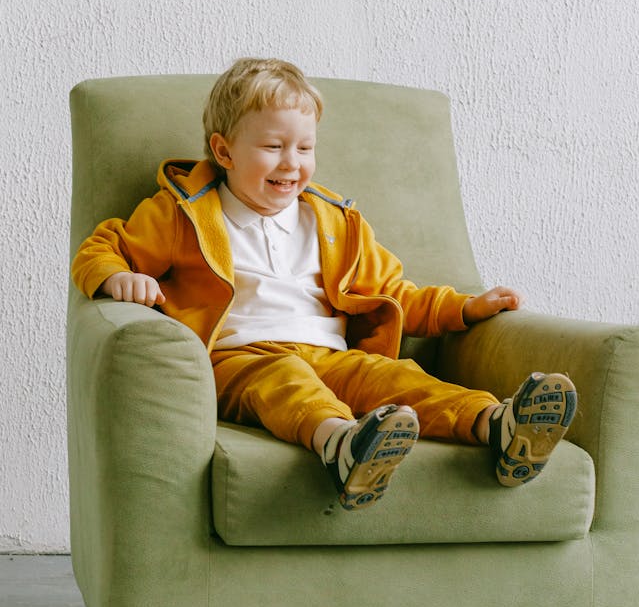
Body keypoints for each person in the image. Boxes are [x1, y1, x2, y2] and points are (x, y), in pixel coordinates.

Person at [72, 58, 577, 510]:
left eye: (305, 147)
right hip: (240, 360)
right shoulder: (183, 213)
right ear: (224, 152)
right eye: (273, 147)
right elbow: (100, 248)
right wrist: (119, 276)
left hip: (331, 354)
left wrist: (464, 309)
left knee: (396, 379)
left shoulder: (334, 221)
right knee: (287, 381)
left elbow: (394, 292)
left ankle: (501, 427)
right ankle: (343, 446)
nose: (292, 163)